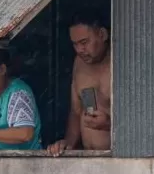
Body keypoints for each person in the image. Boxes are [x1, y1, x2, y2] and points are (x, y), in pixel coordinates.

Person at [47, 11, 112, 156]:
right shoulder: (79, 62)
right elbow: (76, 112)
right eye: (75, 44)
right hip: (86, 157)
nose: (79, 50)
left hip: (121, 160)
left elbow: (144, 120)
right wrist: (68, 143)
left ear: (102, 35)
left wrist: (110, 124)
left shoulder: (121, 62)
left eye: (84, 42)